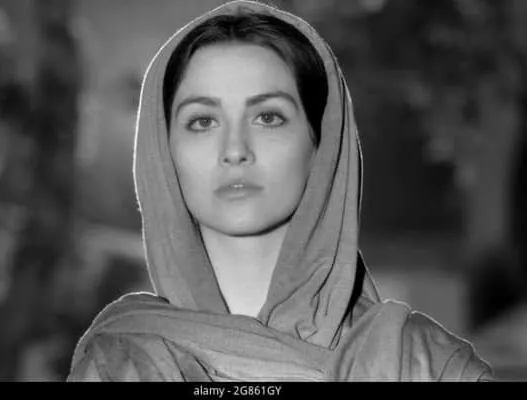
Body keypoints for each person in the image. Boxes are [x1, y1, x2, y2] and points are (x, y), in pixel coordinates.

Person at [67, 0, 493, 381]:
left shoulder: (426, 367)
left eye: (268, 117)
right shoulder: (118, 366)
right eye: (203, 121)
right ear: (163, 152)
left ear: (321, 143)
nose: (235, 150)